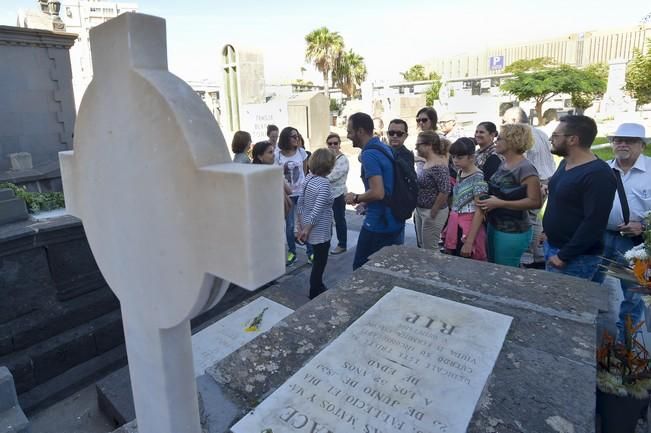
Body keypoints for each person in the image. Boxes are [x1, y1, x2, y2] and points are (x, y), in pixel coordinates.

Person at [593, 123, 651, 338]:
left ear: (642, 145)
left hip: (636, 243)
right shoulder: (603, 169)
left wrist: (643, 226)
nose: (623, 144)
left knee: (633, 296)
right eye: (618, 140)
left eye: (630, 140)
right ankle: (584, 333)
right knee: (588, 284)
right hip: (601, 236)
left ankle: (623, 344)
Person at [543, 115, 616, 279]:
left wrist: (564, 256)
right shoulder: (565, 163)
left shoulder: (598, 174)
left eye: (555, 135)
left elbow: (594, 222)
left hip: (575, 258)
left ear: (572, 140)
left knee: (563, 303)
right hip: (554, 246)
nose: (550, 139)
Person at [345, 112, 404, 270]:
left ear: (361, 131)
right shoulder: (384, 147)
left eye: (350, 131)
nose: (348, 136)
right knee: (387, 269)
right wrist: (365, 201)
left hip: (378, 223)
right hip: (394, 219)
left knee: (360, 269)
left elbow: (378, 192)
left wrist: (356, 197)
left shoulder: (369, 155)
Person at [477, 124, 542, 267]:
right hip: (495, 225)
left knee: (505, 272)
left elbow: (535, 201)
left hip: (512, 231)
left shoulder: (525, 168)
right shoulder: (505, 163)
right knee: (494, 268)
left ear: (512, 141)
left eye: (500, 138)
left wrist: (500, 203)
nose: (495, 142)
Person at [502, 107, 555, 269]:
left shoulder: (521, 135)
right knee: (535, 218)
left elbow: (520, 163)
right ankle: (539, 255)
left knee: (527, 220)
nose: (502, 124)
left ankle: (536, 257)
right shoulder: (541, 133)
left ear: (513, 120)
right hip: (546, 178)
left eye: (504, 121)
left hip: (532, 182)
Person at [297, 148, 336, 299]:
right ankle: (315, 290)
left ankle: (318, 285)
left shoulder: (308, 178)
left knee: (317, 261)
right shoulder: (324, 184)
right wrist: (306, 229)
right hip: (320, 231)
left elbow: (300, 203)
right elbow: (318, 210)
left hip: (308, 227)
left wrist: (301, 226)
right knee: (320, 263)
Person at [444, 138, 488, 260]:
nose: (455, 160)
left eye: (460, 157)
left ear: (471, 157)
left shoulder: (478, 177)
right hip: (456, 223)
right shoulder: (460, 172)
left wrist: (469, 242)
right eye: (453, 157)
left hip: (469, 227)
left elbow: (480, 211)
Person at [275, 127, 309, 266]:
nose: (297, 139)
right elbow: (276, 175)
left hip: (301, 193)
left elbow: (305, 172)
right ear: (285, 139)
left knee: (305, 223)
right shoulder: (278, 155)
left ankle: (310, 252)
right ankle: (292, 252)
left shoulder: (302, 152)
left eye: (298, 136)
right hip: (287, 194)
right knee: (289, 226)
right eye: (293, 136)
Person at [414, 131, 450, 250]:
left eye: (419, 145)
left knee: (430, 248)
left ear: (429, 145)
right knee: (423, 245)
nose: (416, 147)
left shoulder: (438, 165)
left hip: (432, 212)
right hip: (421, 210)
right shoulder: (427, 162)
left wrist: (433, 211)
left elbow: (445, 190)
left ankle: (433, 269)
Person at [387, 119, 415, 244]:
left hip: (398, 207)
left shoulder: (406, 155)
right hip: (384, 205)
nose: (394, 136)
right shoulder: (384, 151)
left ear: (405, 136)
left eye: (399, 133)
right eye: (391, 132)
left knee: (396, 245)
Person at [253, 140, 292, 216]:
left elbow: (289, 191)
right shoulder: (262, 175)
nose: (274, 155)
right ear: (260, 157)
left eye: (273, 152)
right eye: (270, 152)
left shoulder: (273, 171)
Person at [325, 133, 349, 255]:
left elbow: (334, 175)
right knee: (327, 220)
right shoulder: (328, 159)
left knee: (339, 220)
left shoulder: (343, 159)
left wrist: (320, 177)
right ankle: (326, 243)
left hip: (339, 194)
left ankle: (342, 244)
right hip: (327, 194)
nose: (333, 145)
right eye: (330, 143)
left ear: (340, 144)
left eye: (336, 143)